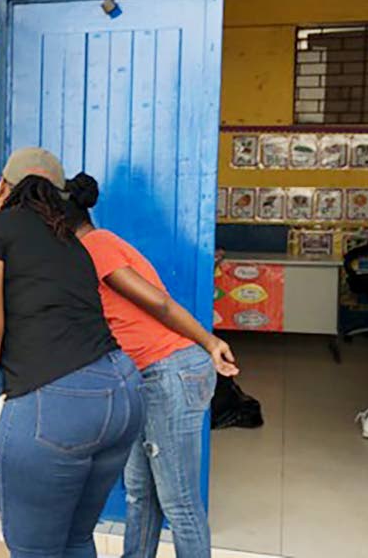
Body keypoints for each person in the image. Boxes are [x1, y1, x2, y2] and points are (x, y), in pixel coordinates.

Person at [0, 148, 145, 558]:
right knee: (75, 539)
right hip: (123, 391)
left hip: (58, 406)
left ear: (2, 189)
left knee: (34, 550)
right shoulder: (72, 243)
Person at [64, 173, 239, 558]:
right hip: (145, 376)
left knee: (179, 503)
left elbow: (158, 303)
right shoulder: (89, 249)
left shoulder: (96, 247)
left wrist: (210, 342)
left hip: (169, 372)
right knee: (140, 494)